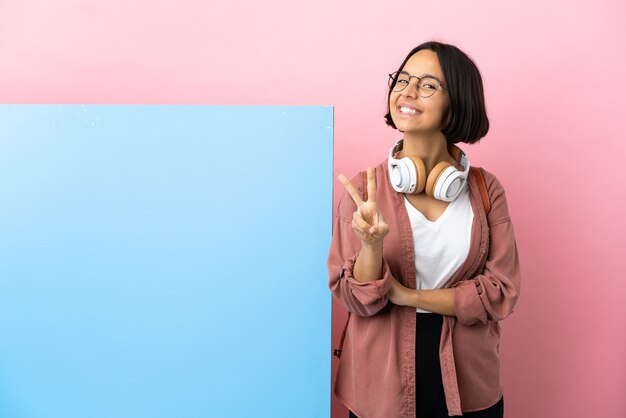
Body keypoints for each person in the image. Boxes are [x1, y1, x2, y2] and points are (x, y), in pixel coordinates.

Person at [327, 41, 521, 418]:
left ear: (457, 99)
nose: (407, 91)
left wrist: (406, 296)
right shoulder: (365, 190)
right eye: (402, 79)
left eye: (428, 84)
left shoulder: (486, 190)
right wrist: (370, 246)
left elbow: (501, 292)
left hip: (470, 384)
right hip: (381, 385)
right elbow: (356, 298)